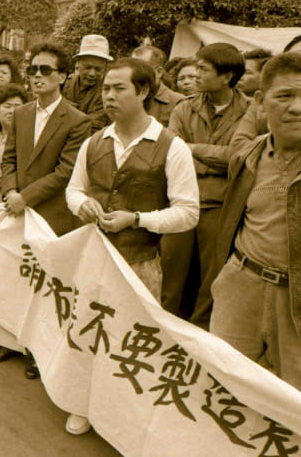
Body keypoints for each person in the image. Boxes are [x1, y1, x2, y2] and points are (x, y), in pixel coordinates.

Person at [65, 58, 199, 435]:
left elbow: (188, 213)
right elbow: (74, 189)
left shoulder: (172, 147)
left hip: (140, 262)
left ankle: (122, 411)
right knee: (87, 331)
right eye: (106, 88)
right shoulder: (95, 142)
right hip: (95, 255)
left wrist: (138, 219)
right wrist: (83, 205)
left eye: (118, 88)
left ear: (143, 91)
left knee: (131, 340)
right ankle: (83, 403)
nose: (108, 96)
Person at [209, 52, 301, 399]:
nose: (297, 107)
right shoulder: (248, 156)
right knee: (224, 387)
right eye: (285, 96)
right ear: (260, 101)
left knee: (299, 403)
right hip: (241, 284)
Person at [0, 43, 92, 377]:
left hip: (51, 216)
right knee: (13, 276)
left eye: (46, 70)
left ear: (63, 76)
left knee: (45, 285)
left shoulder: (78, 121)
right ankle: (8, 337)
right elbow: (9, 158)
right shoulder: (21, 114)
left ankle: (37, 350)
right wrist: (10, 190)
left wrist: (26, 196)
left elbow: (66, 172)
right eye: (33, 70)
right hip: (16, 210)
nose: (37, 76)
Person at [166, 43, 248, 326]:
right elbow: (172, 151)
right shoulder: (184, 108)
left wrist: (193, 149)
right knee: (170, 273)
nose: (196, 74)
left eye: (203, 69)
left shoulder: (250, 111)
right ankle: (163, 329)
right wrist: (214, 159)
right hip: (181, 200)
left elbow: (238, 158)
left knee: (213, 279)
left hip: (222, 206)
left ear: (226, 76)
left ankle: (201, 334)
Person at [63, 34, 114, 133]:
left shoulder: (108, 92)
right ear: (78, 64)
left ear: (105, 68)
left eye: (98, 69)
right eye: (88, 67)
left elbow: (93, 126)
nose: (92, 73)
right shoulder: (65, 84)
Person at [230, 49, 273, 152]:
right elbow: (237, 147)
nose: (239, 77)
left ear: (264, 76)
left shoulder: (269, 105)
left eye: (247, 73)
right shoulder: (227, 103)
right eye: (238, 72)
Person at [131, 45, 185, 126]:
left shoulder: (179, 103)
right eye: (132, 68)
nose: (135, 73)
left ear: (159, 72)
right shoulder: (127, 97)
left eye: (142, 68)